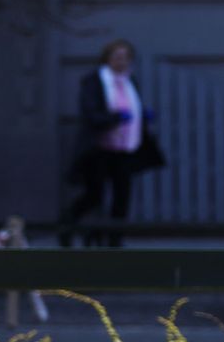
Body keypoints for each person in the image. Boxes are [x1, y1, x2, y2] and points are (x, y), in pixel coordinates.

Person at [60, 38, 160, 248]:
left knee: (121, 197)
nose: (121, 61)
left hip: (124, 149)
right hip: (99, 149)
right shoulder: (95, 81)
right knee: (94, 196)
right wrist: (114, 118)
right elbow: (91, 113)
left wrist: (141, 116)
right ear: (107, 59)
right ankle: (67, 224)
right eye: (117, 57)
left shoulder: (129, 82)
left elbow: (134, 109)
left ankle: (115, 241)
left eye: (125, 57)